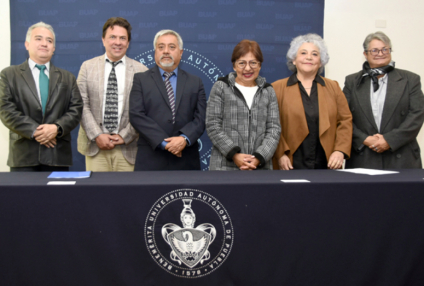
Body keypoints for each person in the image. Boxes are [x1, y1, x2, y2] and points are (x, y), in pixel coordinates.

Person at [0, 22, 82, 172]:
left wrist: (56, 128)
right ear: (27, 44)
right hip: (23, 156)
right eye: (38, 39)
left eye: (49, 41)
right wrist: (35, 131)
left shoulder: (67, 78)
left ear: (54, 49)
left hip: (57, 155)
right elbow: (5, 109)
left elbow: (76, 110)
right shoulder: (9, 75)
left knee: (57, 197)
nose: (44, 43)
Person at [343, 31, 424, 169]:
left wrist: (389, 140)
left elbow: (417, 114)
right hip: (364, 155)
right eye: (374, 50)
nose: (380, 53)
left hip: (402, 156)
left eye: (385, 49)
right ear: (365, 54)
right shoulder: (352, 81)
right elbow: (343, 116)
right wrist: (365, 139)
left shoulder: (410, 79)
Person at [272, 34, 352, 170]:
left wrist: (340, 151)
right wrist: (280, 154)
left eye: (315, 54)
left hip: (326, 163)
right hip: (289, 163)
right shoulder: (276, 88)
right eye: (303, 53)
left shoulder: (333, 87)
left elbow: (345, 121)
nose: (309, 57)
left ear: (320, 62)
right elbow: (271, 125)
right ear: (294, 60)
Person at [77, 17, 148, 172]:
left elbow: (143, 110)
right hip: (95, 146)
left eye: (123, 38)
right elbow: (81, 104)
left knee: (127, 195)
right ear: (103, 40)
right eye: (112, 37)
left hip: (128, 148)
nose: (118, 42)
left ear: (128, 43)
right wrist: (97, 135)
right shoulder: (87, 67)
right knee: (97, 195)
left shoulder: (141, 71)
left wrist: (124, 136)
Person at [129, 29, 206, 170]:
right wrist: (165, 143)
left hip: (186, 159)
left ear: (181, 53)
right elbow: (136, 115)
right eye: (161, 47)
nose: (166, 51)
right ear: (155, 52)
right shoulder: (140, 80)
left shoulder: (196, 82)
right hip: (151, 158)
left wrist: (184, 139)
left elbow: (201, 118)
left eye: (172, 47)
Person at [206, 40, 281, 170]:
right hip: (224, 167)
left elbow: (274, 130)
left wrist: (258, 158)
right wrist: (234, 155)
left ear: (260, 66)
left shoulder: (268, 91)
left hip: (260, 167)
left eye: (253, 63)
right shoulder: (221, 87)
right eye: (241, 63)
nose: (247, 68)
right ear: (234, 66)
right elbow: (213, 125)